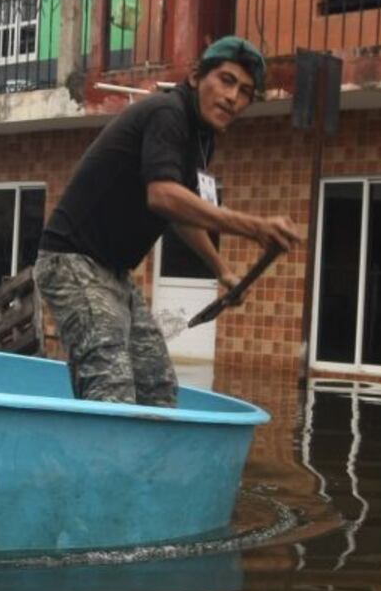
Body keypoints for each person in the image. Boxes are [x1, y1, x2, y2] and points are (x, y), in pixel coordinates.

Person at [34, 35, 303, 406]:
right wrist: (254, 227)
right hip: (72, 262)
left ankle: (150, 463)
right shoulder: (168, 113)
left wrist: (221, 269)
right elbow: (162, 195)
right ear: (196, 77)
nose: (233, 98)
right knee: (110, 391)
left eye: (245, 92)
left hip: (112, 273)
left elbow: (179, 213)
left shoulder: (201, 138)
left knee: (157, 389)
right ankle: (101, 460)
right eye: (226, 80)